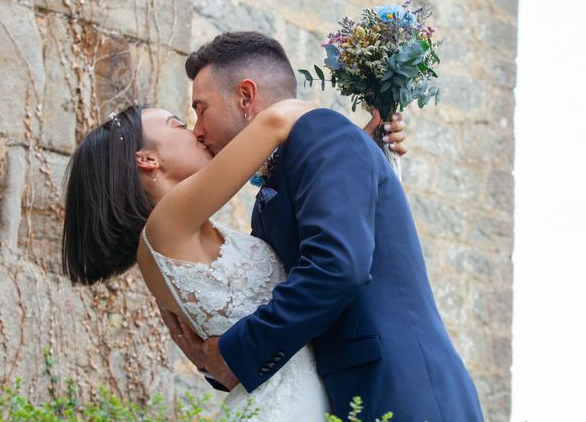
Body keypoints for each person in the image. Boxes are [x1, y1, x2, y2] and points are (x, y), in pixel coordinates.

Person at [160, 31, 485, 422]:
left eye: (201, 108)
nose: (197, 129)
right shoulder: (277, 185)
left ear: (246, 98)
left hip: (402, 390)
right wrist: (213, 359)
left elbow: (337, 267)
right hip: (343, 396)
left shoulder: (321, 132)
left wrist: (237, 353)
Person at [61, 98, 405, 420]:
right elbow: (276, 119)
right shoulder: (165, 227)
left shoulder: (190, 235)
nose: (195, 131)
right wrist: (337, 135)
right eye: (178, 124)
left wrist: (354, 157)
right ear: (147, 159)